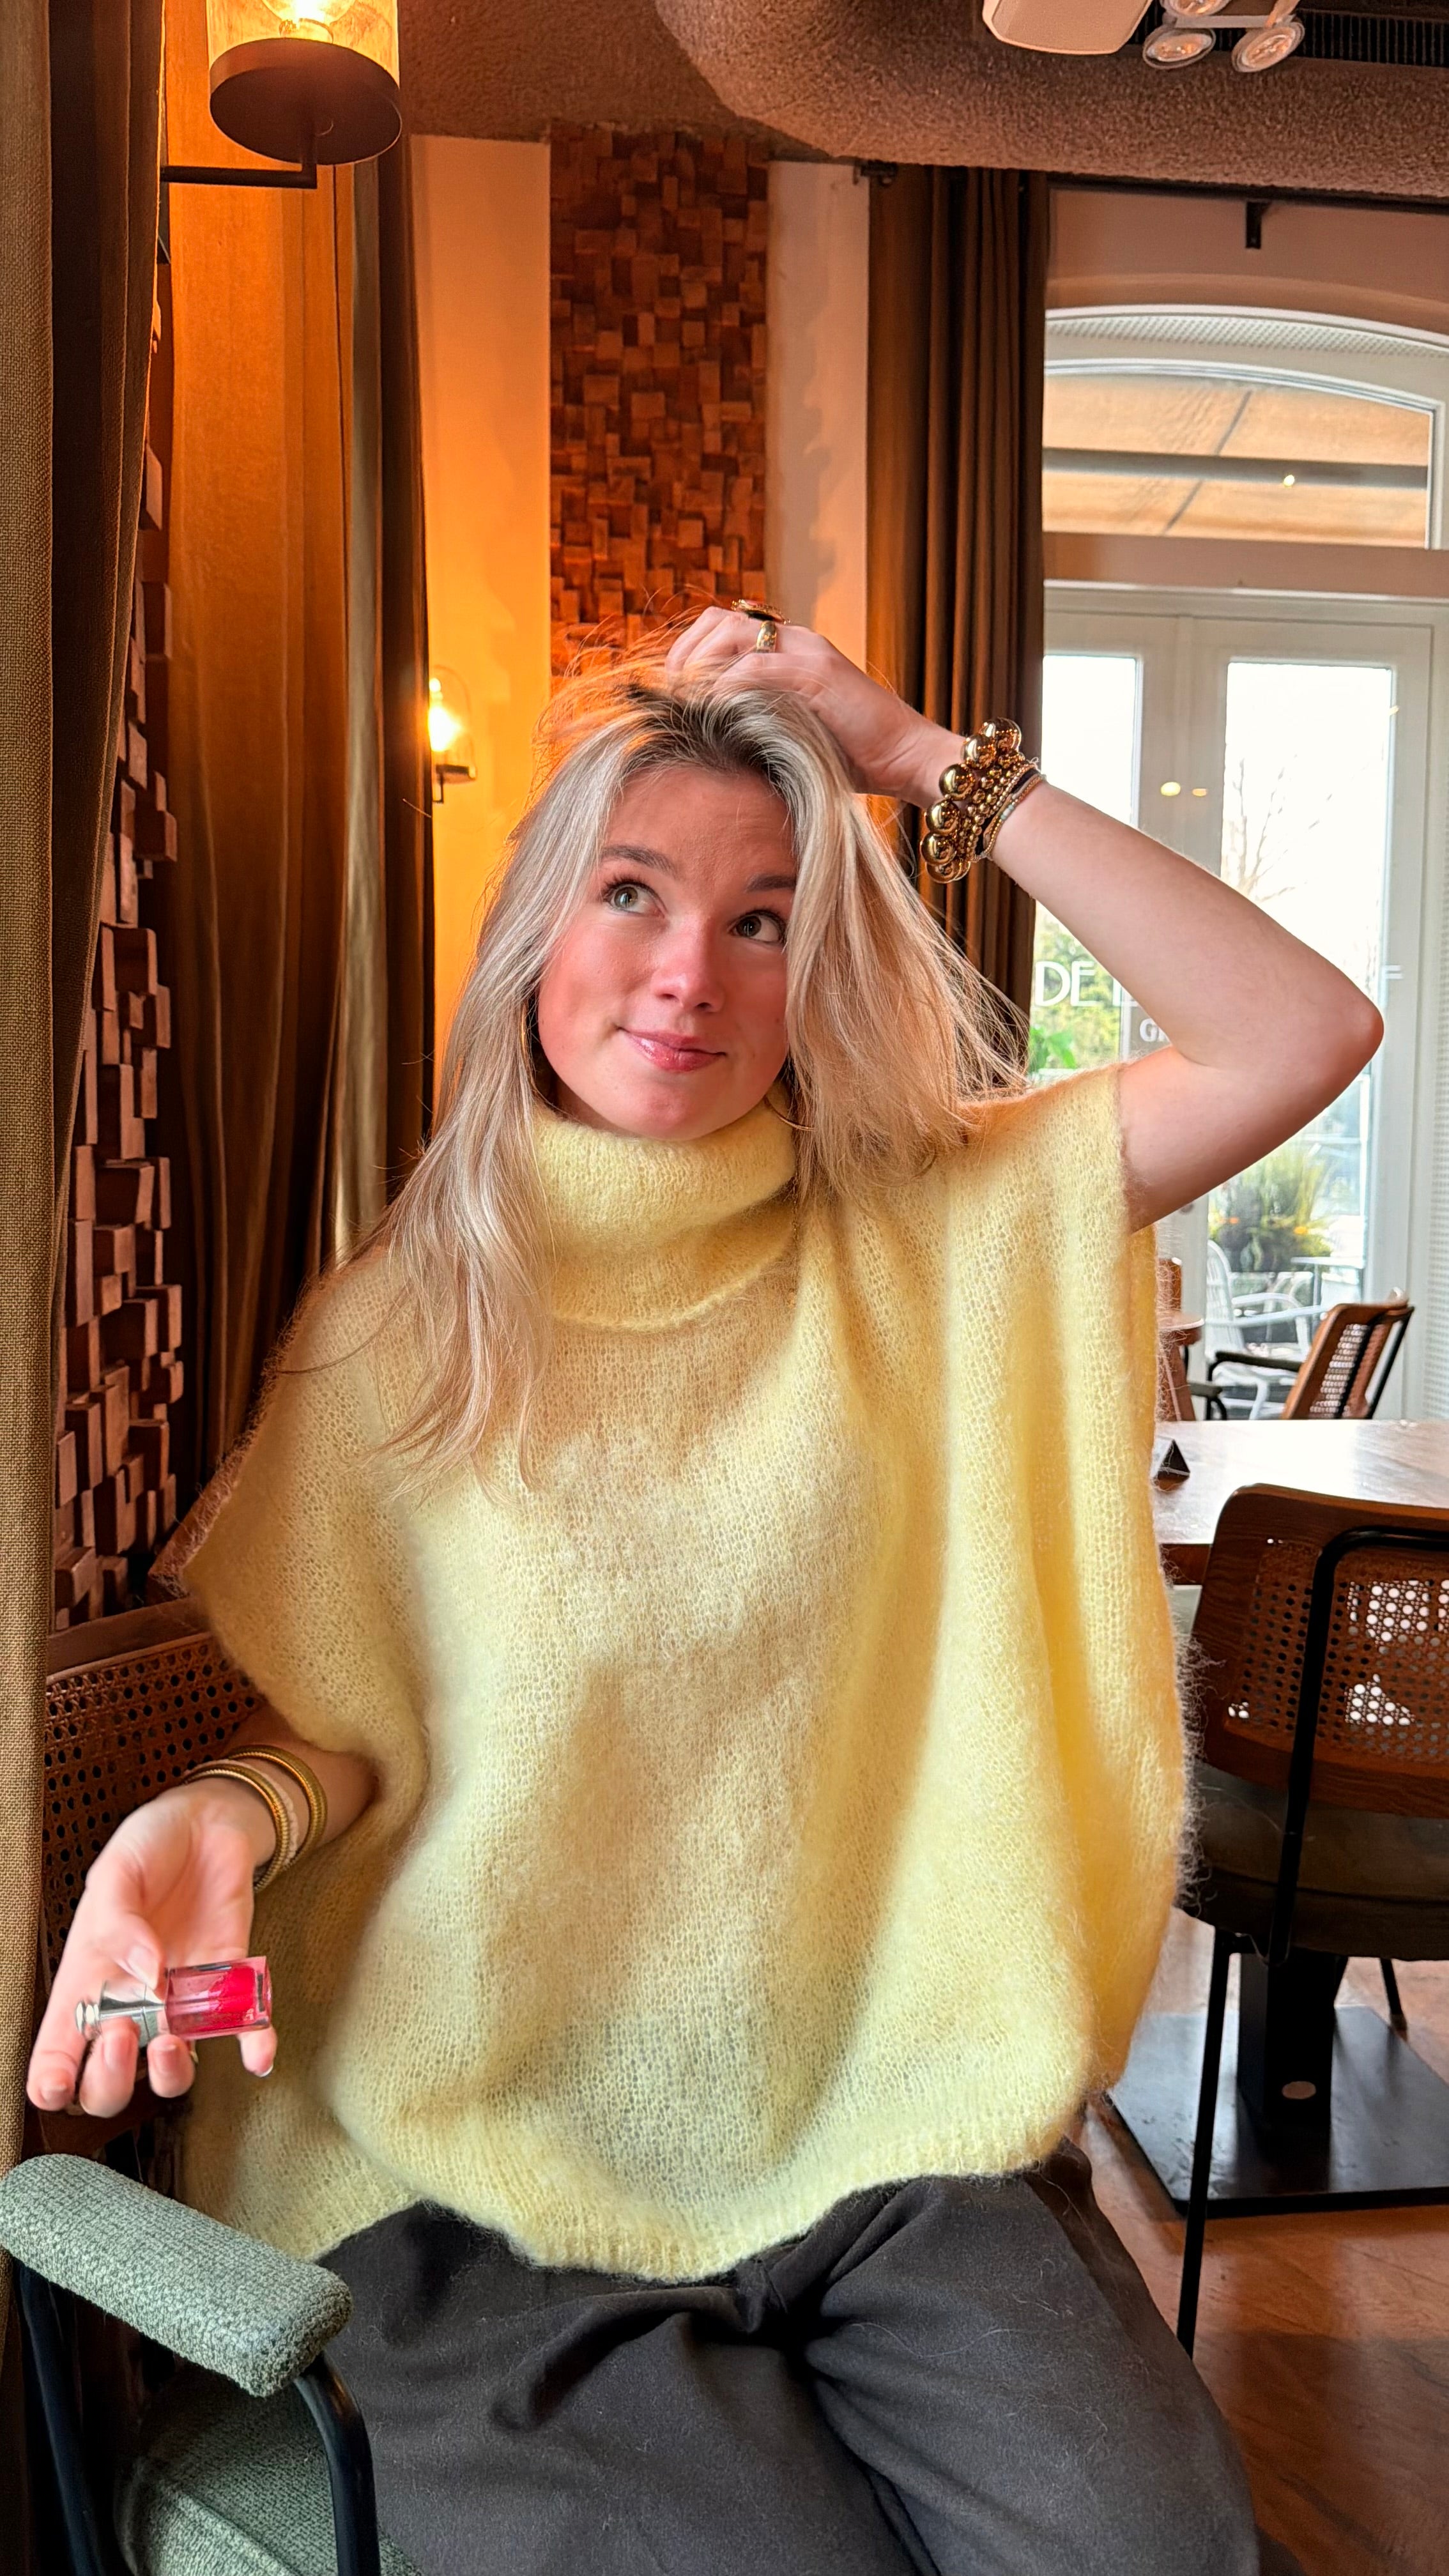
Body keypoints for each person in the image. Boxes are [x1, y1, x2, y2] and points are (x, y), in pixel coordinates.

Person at [29, 609, 1374, 2576]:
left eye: (762, 920)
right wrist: (220, 1810)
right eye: (632, 893)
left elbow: (1298, 1032)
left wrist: (910, 753)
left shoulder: (940, 1229)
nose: (688, 972)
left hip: (891, 2121)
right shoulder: (400, 1333)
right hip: (468, 2148)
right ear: (533, 935)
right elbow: (347, 1728)